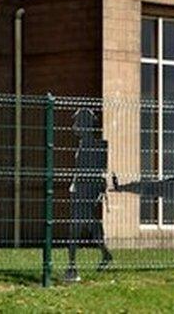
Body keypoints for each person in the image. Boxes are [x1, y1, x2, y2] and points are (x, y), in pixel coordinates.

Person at [65, 108, 113, 282]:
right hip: (81, 190)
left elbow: (94, 172)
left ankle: (72, 269)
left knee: (75, 228)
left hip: (86, 192)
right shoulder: (83, 145)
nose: (74, 127)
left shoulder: (93, 146)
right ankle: (105, 254)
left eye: (77, 122)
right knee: (90, 225)